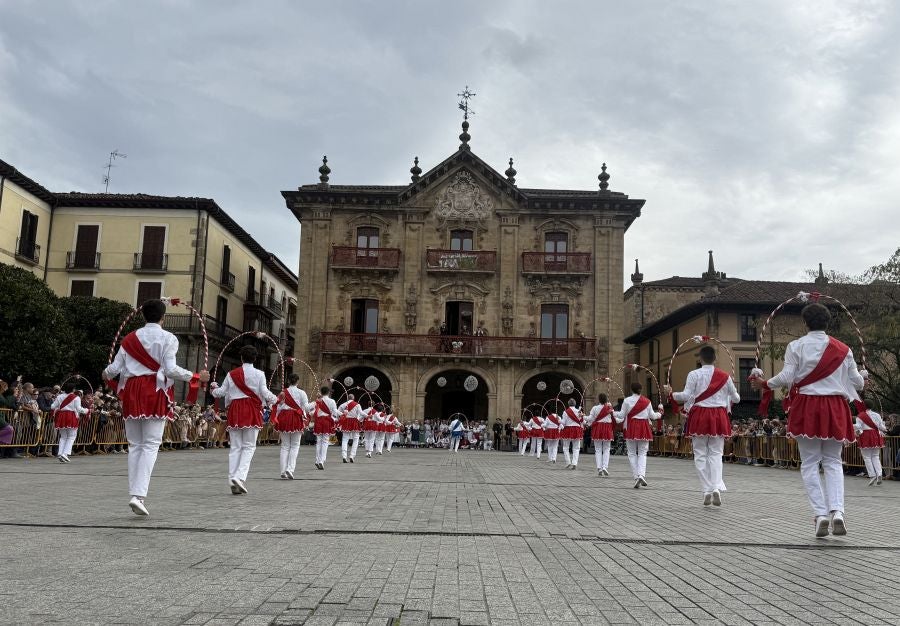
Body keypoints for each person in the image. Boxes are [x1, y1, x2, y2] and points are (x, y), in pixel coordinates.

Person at [751, 302, 865, 538]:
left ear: (805, 323)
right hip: (835, 406)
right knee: (833, 462)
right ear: (828, 323)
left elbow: (787, 376)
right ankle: (838, 512)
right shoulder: (844, 349)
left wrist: (765, 384)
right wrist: (864, 378)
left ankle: (820, 514)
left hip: (808, 405)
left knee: (810, 463)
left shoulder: (796, 346)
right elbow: (858, 383)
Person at [103, 298, 209, 515]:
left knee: (135, 445)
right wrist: (195, 376)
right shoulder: (169, 338)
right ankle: (138, 495)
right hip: (154, 390)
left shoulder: (129, 339)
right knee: (150, 444)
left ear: (143, 316)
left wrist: (105, 374)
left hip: (132, 391)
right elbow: (170, 370)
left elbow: (113, 370)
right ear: (163, 317)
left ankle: (135, 493)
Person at [665, 345, 740, 507]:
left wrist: (672, 393)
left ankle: (707, 489)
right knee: (716, 454)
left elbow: (685, 396)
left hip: (699, 415)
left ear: (700, 359)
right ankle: (716, 488)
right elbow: (737, 398)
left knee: (700, 454)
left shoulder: (694, 374)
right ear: (715, 359)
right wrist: (730, 393)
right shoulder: (725, 376)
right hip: (718, 415)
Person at [211, 345, 277, 494]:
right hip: (251, 408)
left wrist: (212, 388)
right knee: (249, 446)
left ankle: (232, 478)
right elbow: (264, 392)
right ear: (255, 358)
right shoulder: (259, 374)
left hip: (235, 408)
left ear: (241, 358)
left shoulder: (231, 373)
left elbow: (220, 392)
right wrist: (275, 399)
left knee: (235, 447)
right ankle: (239, 477)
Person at [614, 382, 662, 489]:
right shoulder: (647, 401)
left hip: (631, 426)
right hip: (643, 427)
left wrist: (612, 412)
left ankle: (636, 477)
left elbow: (621, 415)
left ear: (631, 390)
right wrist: (660, 413)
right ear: (641, 389)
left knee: (631, 453)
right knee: (642, 453)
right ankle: (641, 475)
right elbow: (653, 416)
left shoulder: (627, 400)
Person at [273, 373, 308, 479]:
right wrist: (316, 404)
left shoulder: (283, 392)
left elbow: (277, 406)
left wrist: (276, 419)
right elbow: (306, 407)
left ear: (288, 381)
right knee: (295, 445)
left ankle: (283, 471)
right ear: (297, 381)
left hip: (284, 417)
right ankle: (290, 469)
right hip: (295, 417)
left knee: (285, 446)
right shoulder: (302, 392)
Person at [50, 383, 89, 463]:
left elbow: (52, 407)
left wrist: (60, 407)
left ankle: (60, 453)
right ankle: (65, 453)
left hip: (61, 416)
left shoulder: (59, 396)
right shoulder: (76, 397)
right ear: (73, 389)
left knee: (63, 436)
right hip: (71, 416)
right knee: (71, 436)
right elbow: (79, 409)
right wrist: (87, 410)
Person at [854, 397, 887, 486]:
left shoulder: (860, 416)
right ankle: (879, 473)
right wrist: (884, 427)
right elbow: (881, 427)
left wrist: (854, 428)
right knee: (875, 456)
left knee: (867, 457)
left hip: (866, 436)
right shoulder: (877, 415)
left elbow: (859, 428)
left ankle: (872, 475)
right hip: (876, 435)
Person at [306, 385, 339, 469]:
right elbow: (335, 412)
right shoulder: (332, 401)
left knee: (319, 442)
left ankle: (317, 460)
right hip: (327, 421)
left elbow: (310, 410)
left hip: (319, 422)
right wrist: (342, 415)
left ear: (321, 392)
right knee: (325, 442)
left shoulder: (317, 401)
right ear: (328, 392)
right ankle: (321, 460)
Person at [585, 393, 616, 476]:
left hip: (598, 428)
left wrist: (582, 416)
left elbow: (590, 418)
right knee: (606, 449)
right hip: (607, 428)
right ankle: (605, 467)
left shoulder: (595, 408)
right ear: (606, 399)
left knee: (598, 449)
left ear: (599, 400)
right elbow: (616, 417)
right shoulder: (609, 407)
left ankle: (599, 468)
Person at [338, 394, 365, 462]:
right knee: (356, 439)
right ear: (353, 398)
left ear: (347, 398)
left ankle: (344, 456)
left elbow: (338, 412)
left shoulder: (343, 405)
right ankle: (352, 456)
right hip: (354, 422)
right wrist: (368, 416)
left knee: (345, 439)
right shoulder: (357, 404)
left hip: (346, 422)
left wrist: (341, 417)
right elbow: (361, 413)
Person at [560, 399, 585, 470]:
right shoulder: (579, 411)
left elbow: (563, 422)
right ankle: (574, 463)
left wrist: (559, 420)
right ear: (575, 404)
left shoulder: (565, 412)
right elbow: (582, 421)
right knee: (576, 447)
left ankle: (568, 462)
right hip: (576, 429)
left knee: (565, 447)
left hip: (568, 429)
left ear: (568, 404)